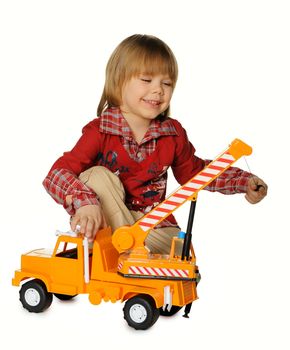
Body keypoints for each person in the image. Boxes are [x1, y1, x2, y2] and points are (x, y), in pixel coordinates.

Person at [43, 34, 267, 253]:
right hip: (105, 221)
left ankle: (131, 250)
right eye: (146, 80)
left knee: (180, 250)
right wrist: (85, 202)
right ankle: (123, 250)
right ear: (119, 81)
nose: (159, 90)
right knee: (96, 176)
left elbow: (196, 173)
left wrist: (243, 181)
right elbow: (56, 174)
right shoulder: (100, 131)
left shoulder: (172, 134)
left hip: (148, 225)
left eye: (167, 83)